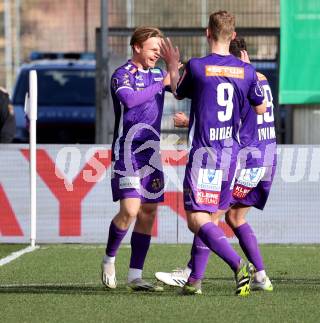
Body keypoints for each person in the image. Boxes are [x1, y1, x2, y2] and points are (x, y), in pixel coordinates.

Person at [155, 37, 276, 293]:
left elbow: (229, 119)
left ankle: (201, 272)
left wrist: (189, 120)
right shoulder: (257, 78)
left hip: (239, 156)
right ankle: (249, 277)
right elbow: (246, 114)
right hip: (263, 156)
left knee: (207, 217)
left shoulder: (234, 78)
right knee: (227, 216)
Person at [101, 26, 180, 291]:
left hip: (151, 153)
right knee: (130, 211)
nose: (157, 54)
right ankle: (109, 259)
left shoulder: (159, 72)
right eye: (153, 49)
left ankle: (135, 275)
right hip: (127, 151)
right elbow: (130, 100)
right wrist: (162, 81)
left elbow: (179, 90)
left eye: (160, 51)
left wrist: (173, 68)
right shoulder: (122, 74)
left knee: (148, 212)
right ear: (137, 47)